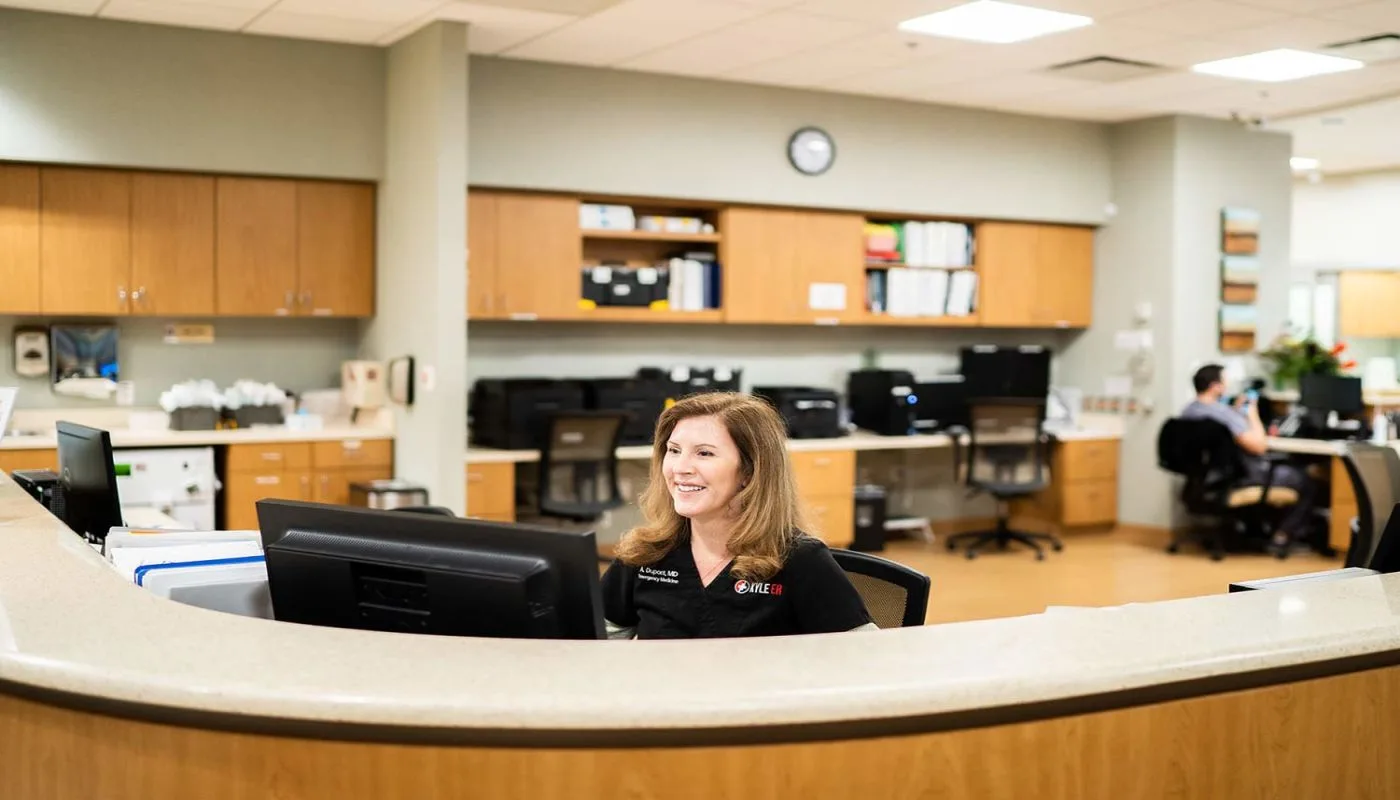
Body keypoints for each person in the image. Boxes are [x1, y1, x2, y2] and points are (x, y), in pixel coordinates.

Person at [600, 392, 877, 639]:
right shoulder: (645, 554)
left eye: (704, 453)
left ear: (749, 471)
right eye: (673, 451)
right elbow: (593, 646)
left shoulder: (800, 560)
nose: (680, 468)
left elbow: (866, 658)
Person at [1181, 364, 1318, 551]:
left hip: (1207, 478)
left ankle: (1261, 529)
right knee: (1306, 480)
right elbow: (1259, 446)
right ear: (1215, 386)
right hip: (1241, 476)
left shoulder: (1188, 412)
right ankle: (1282, 536)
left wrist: (1236, 413)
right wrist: (1251, 413)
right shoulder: (1223, 414)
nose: (1228, 385)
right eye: (1225, 381)